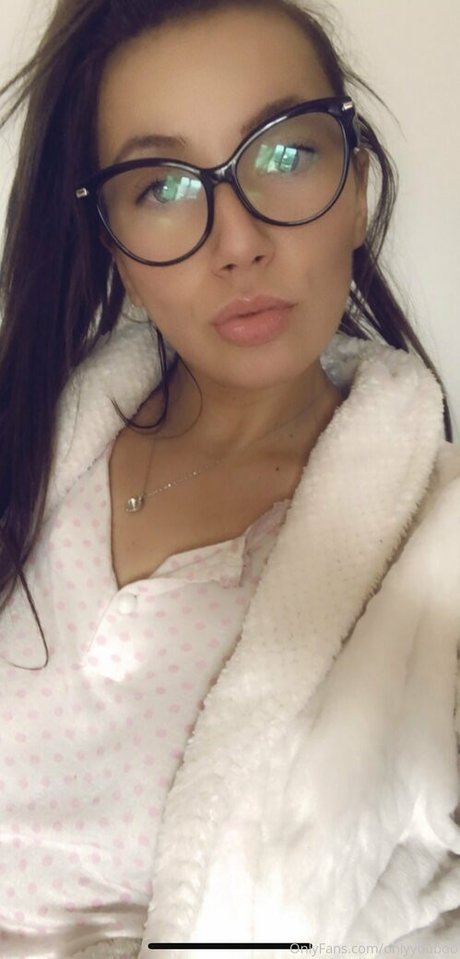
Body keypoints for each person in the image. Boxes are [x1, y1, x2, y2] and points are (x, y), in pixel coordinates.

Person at [0, 0, 459, 956]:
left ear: (357, 187)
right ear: (116, 246)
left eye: (285, 154)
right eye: (163, 185)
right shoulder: (27, 447)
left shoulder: (433, 564)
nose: (238, 240)